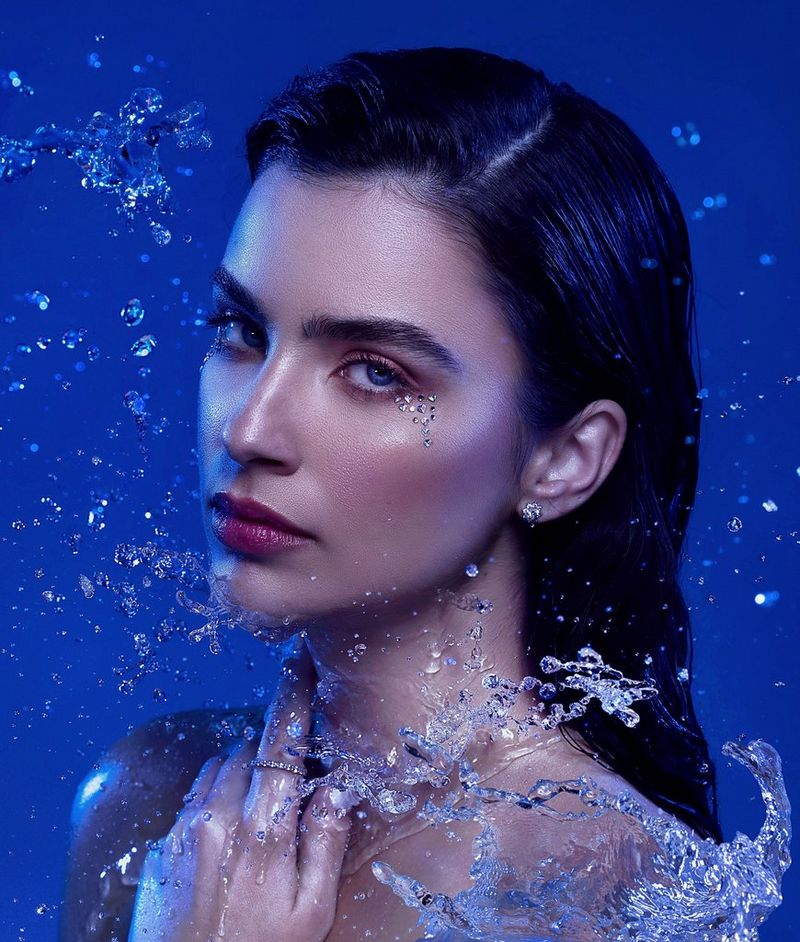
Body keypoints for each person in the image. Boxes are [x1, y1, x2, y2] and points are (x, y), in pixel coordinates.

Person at [61, 46, 723, 941]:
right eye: (240, 330)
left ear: (563, 457)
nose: (249, 429)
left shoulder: (593, 892)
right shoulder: (150, 799)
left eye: (374, 372)